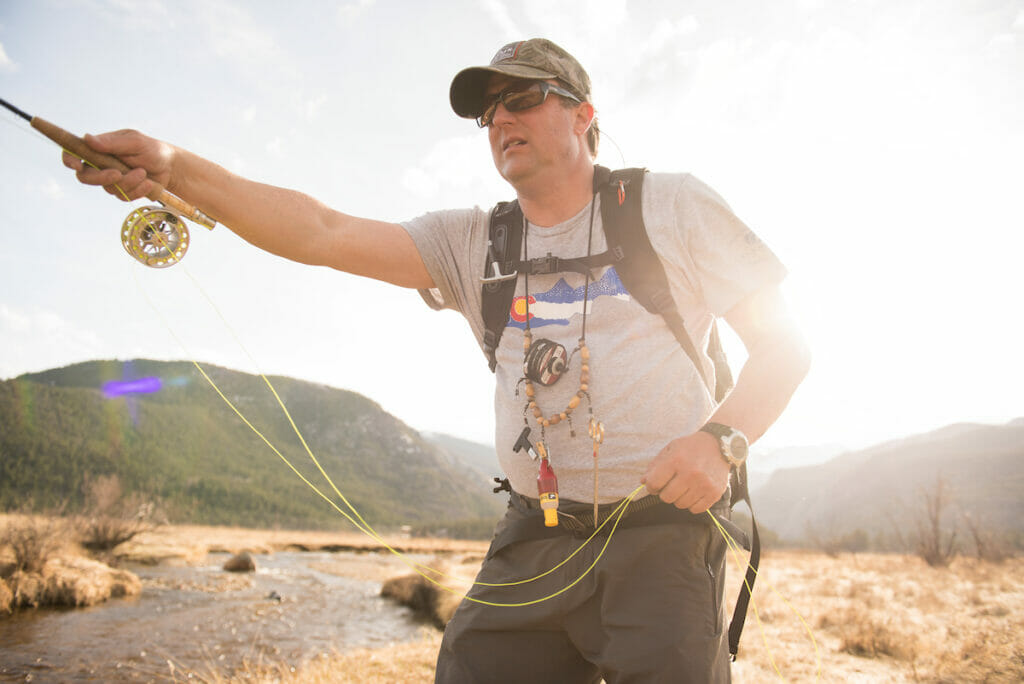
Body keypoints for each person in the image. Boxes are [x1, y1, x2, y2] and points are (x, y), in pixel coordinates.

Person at [66, 38, 809, 684]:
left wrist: (721, 440)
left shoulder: (672, 207)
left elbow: (786, 347)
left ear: (584, 114)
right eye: (489, 111)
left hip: (662, 539)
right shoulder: (470, 241)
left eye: (523, 98)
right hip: (535, 536)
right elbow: (321, 231)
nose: (502, 120)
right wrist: (174, 169)